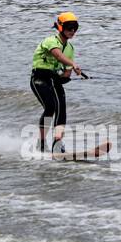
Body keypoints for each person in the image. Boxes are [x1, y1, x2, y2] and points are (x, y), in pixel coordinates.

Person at [30, 11, 86, 155]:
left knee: (61, 109)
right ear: (60, 27)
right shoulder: (51, 41)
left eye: (75, 27)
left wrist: (68, 75)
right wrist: (73, 64)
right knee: (50, 107)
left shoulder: (70, 49)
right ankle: (41, 144)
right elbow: (58, 55)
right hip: (39, 78)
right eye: (69, 27)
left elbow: (66, 73)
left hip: (54, 80)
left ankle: (57, 142)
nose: (72, 31)